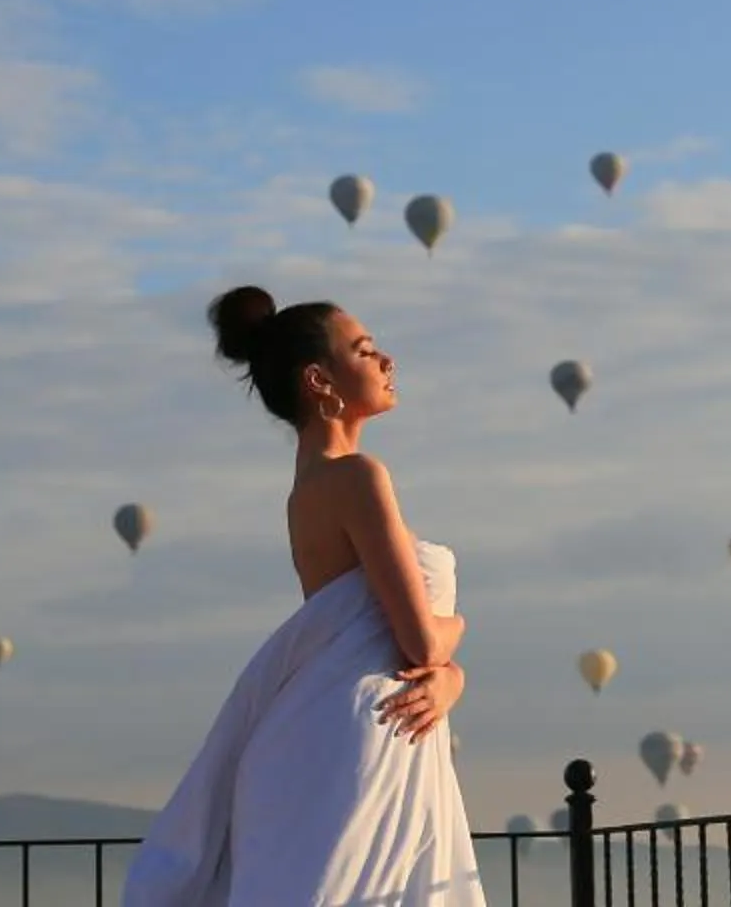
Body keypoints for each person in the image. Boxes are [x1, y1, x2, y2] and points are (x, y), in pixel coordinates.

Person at [119, 286, 485, 906]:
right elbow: (417, 639)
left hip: (339, 723)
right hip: (369, 731)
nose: (387, 361)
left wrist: (449, 681)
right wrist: (460, 636)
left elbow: (356, 630)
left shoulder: (307, 490)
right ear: (320, 380)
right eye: (366, 351)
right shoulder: (359, 478)